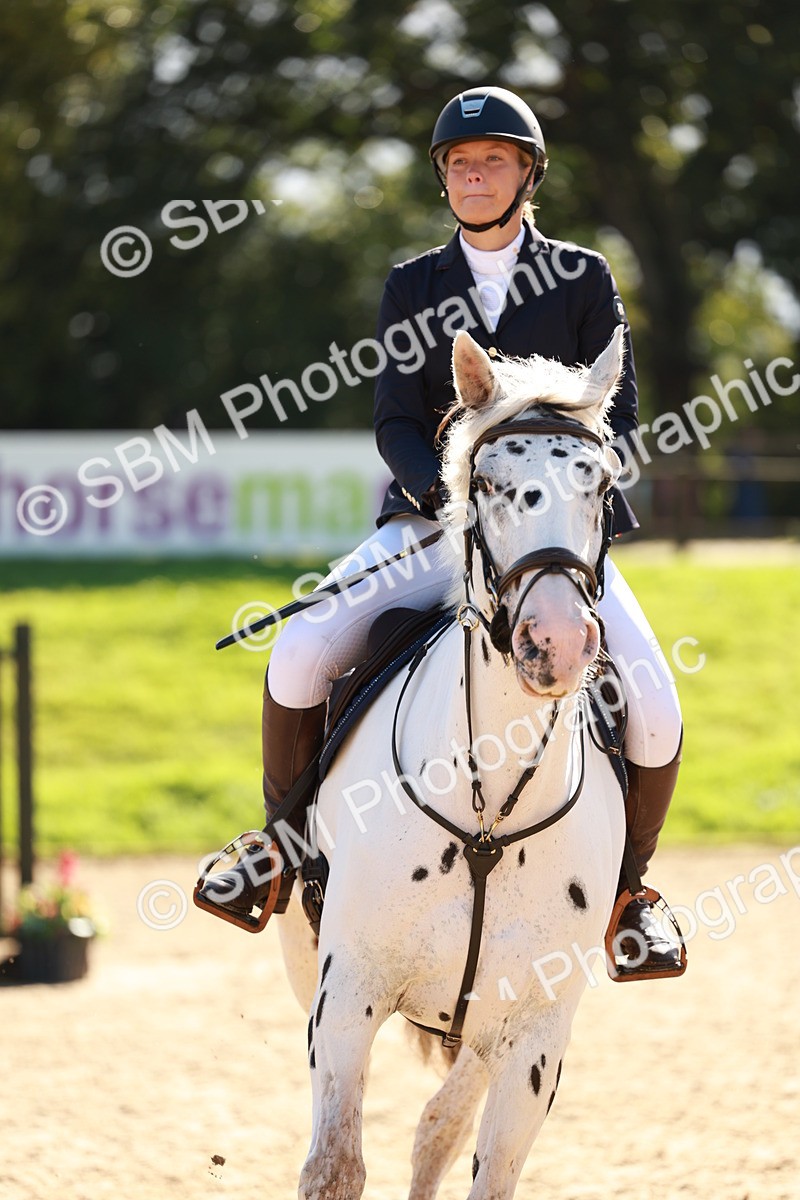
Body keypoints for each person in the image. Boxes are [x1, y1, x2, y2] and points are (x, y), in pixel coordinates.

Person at [197, 86, 683, 978]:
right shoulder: (413, 285)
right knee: (300, 651)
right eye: (459, 163)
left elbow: (621, 409)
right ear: (443, 179)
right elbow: (393, 422)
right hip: (433, 528)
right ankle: (276, 853)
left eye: (492, 159)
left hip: (550, 549)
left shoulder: (582, 278)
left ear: (527, 173)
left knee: (656, 711)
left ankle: (632, 898)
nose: (473, 174)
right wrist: (448, 500)